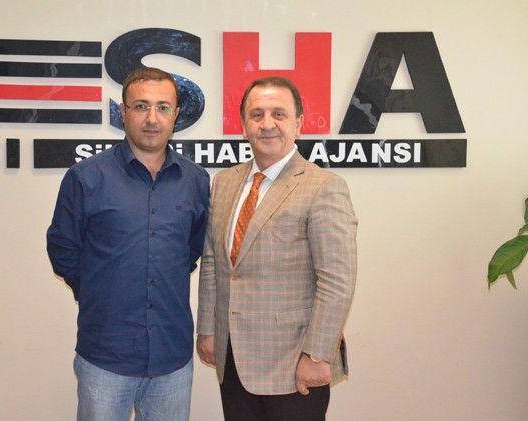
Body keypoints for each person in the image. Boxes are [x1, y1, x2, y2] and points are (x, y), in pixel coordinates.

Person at [46, 67, 209, 421]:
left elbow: (191, 249)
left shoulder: (196, 181)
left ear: (176, 114)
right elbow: (62, 249)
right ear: (123, 112)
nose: (152, 118)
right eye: (141, 106)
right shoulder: (86, 177)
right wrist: (98, 290)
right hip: (106, 353)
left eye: (163, 107)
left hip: (171, 355)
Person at [196, 76, 357, 421]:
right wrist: (208, 328)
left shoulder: (323, 187)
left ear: (298, 123)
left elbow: (337, 282)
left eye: (278, 114)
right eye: (256, 115)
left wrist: (316, 355)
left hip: (293, 364)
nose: (267, 124)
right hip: (233, 358)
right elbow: (212, 262)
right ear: (244, 126)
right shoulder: (224, 182)